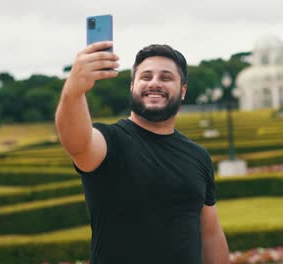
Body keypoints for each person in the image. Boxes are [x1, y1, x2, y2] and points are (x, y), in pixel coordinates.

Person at [55, 41, 229, 264]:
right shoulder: (111, 141)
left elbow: (210, 233)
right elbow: (76, 142)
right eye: (146, 77)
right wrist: (74, 90)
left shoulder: (198, 156)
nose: (154, 83)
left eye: (166, 78)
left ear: (183, 91)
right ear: (132, 86)